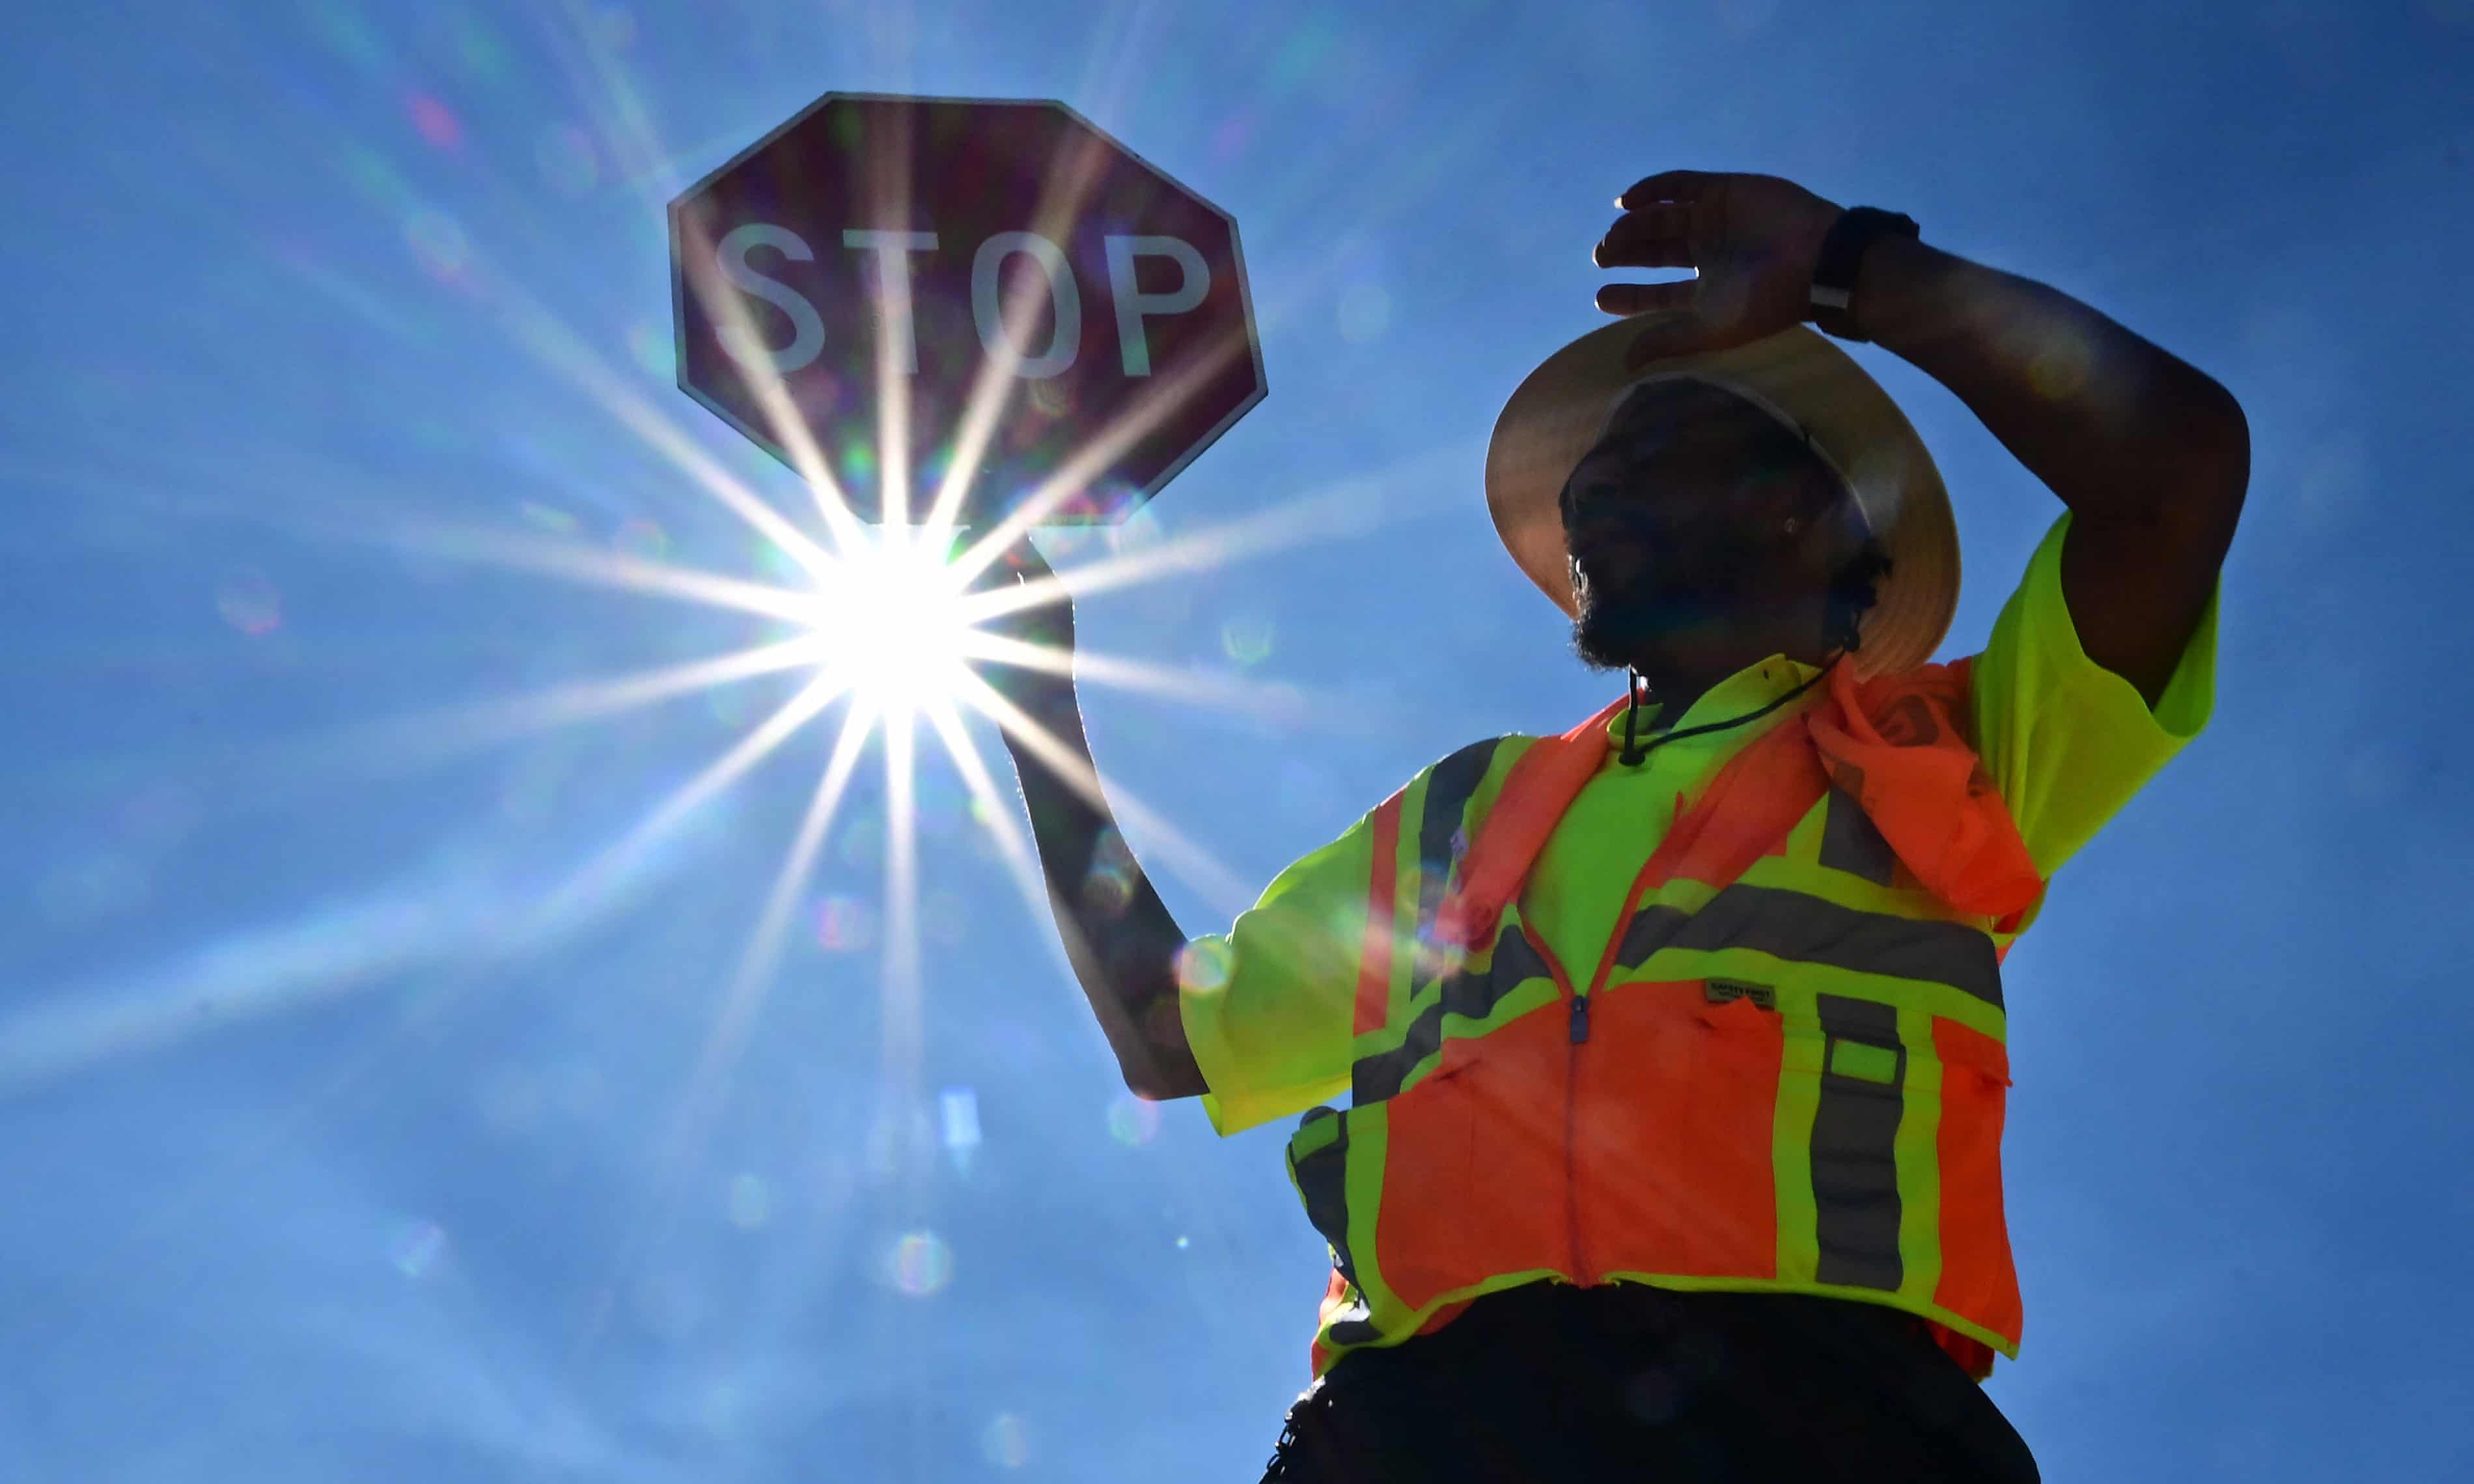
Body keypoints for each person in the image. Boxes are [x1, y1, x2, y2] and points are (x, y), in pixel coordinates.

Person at [980, 171, 2245, 1481]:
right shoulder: (1462, 813)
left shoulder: (1957, 751)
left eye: (1649, 452)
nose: (1587, 494)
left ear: (1808, 509)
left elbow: (2174, 469)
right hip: (1416, 1434)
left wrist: (1846, 265)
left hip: (1827, 1427)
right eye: (1593, 473)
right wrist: (1038, 712)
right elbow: (1166, 1035)